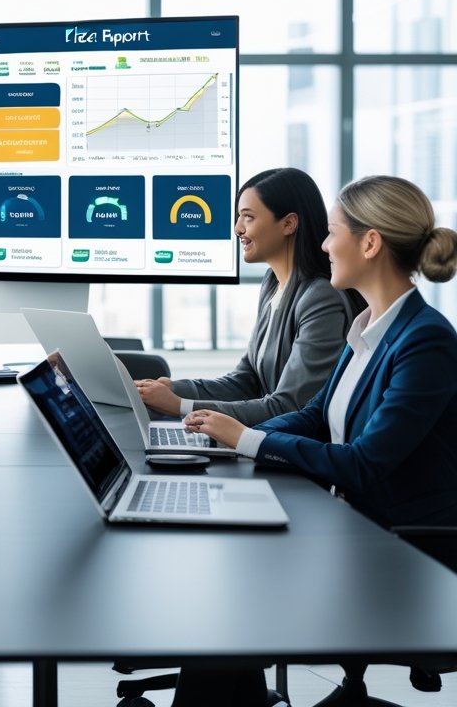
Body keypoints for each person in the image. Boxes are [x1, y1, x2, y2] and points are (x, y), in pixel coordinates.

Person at [182, 175, 457, 706]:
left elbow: (362, 464)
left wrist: (249, 440)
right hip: (351, 529)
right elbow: (313, 416)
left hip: (403, 556)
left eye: (332, 233)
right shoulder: (368, 327)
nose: (325, 245)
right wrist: (229, 438)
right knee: (222, 590)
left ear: (370, 242)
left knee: (223, 603)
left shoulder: (426, 341)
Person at [136, 167, 361, 424]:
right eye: (239, 217)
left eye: (248, 217)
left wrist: (180, 405)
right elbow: (247, 380)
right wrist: (174, 389)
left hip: (290, 440)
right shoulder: (273, 283)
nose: (237, 228)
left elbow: (289, 406)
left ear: (288, 224)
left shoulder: (321, 298)